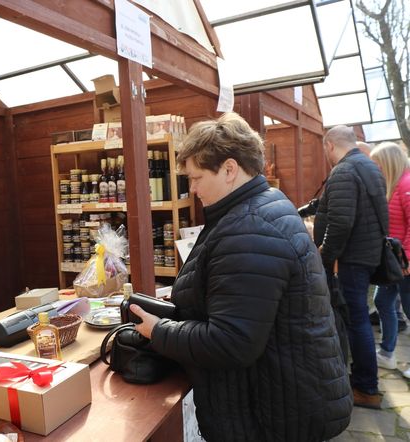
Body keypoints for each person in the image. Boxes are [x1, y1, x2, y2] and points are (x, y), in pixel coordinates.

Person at [131, 113, 352, 441]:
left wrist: (158, 331)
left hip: (272, 415)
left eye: (196, 177)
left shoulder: (249, 227)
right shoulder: (262, 207)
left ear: (230, 169)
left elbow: (232, 341)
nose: (191, 189)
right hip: (289, 397)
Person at [313, 125, 388, 409]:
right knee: (358, 320)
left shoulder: (344, 171)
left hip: (354, 259)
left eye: (325, 150)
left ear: (330, 145)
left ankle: (366, 387)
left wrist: (325, 253)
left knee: (356, 322)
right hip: (368, 254)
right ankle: (364, 382)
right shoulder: (369, 166)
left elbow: (341, 222)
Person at [369, 142, 410, 374]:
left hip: (404, 264)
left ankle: (388, 352)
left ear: (388, 163)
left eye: (378, 164)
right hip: (395, 263)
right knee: (384, 302)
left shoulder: (406, 185)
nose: (376, 168)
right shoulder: (394, 185)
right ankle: (387, 353)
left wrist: (408, 261)